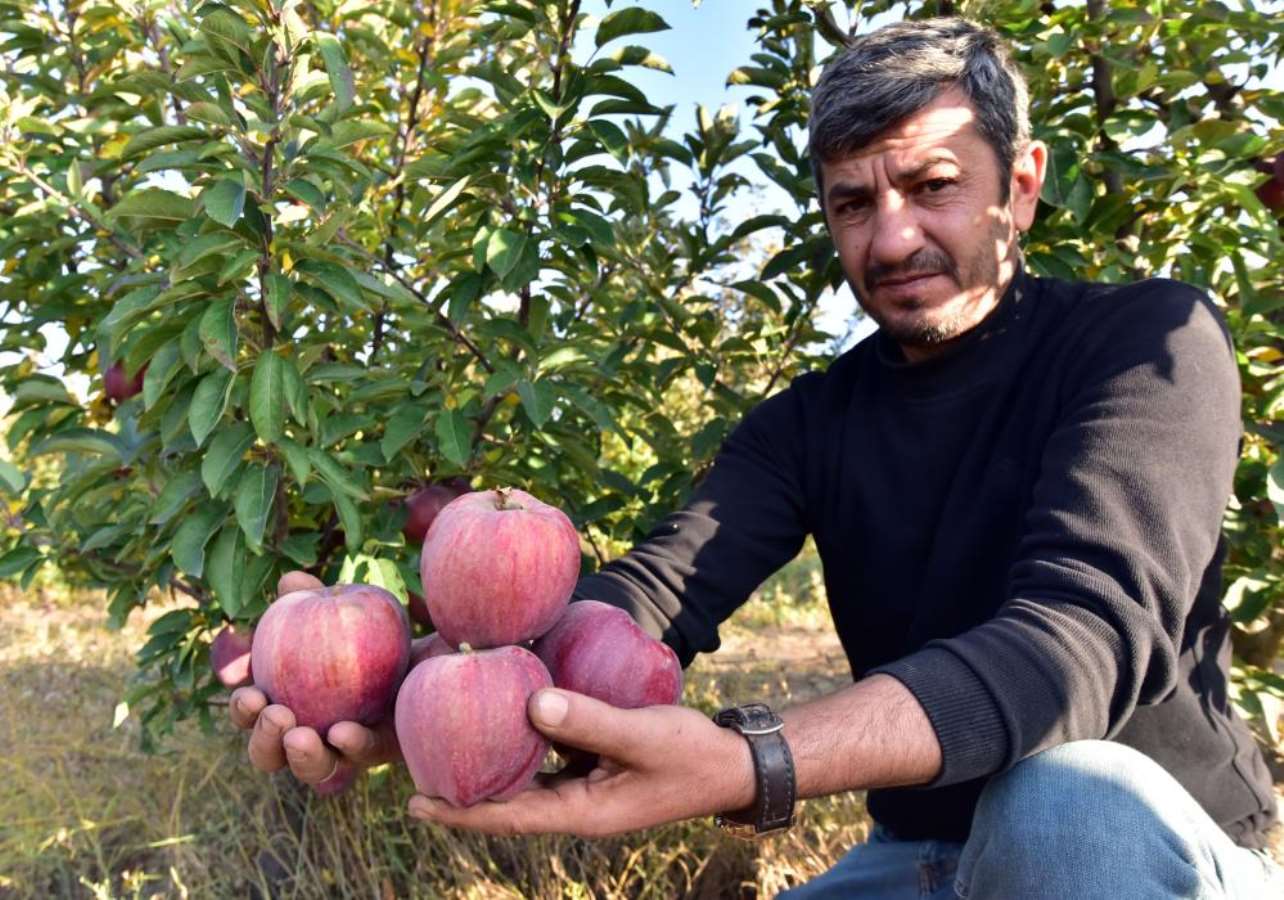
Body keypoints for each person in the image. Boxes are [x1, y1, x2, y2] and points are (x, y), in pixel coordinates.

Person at [230, 17, 1283, 898]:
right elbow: (645, 597)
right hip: (921, 860)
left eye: (933, 186)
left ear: (1021, 184)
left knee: (1061, 797)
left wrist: (756, 762)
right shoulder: (813, 422)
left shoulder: (1149, 344)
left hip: (1148, 851)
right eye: (853, 203)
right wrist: (406, 690)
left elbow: (1075, 643)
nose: (892, 238)